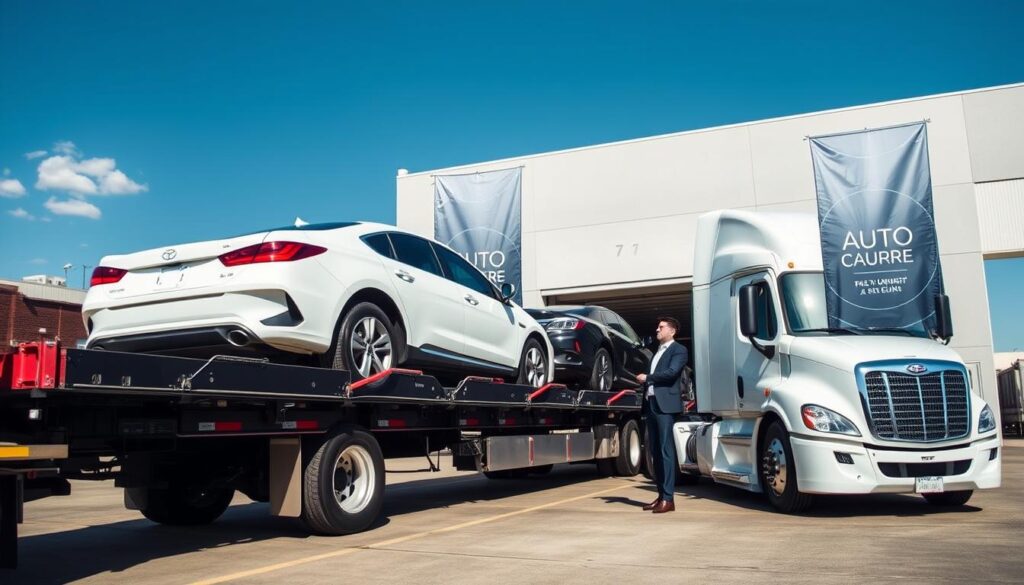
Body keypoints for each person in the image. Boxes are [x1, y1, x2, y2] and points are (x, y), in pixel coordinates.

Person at [635, 316, 687, 514]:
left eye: (661, 327)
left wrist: (647, 377)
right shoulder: (656, 352)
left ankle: (669, 499)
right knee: (655, 452)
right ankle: (660, 496)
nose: (657, 329)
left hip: (666, 406)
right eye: (658, 327)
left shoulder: (679, 350)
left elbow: (672, 373)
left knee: (665, 451)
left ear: (672, 331)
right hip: (652, 404)